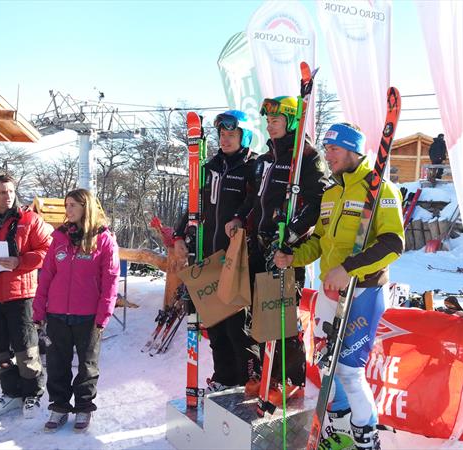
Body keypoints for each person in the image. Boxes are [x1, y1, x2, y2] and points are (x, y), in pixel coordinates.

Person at [274, 123, 404, 449]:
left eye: (333, 149)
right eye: (326, 148)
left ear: (351, 150)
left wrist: (349, 269)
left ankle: (367, 440)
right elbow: (319, 241)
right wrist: (294, 258)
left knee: (348, 370)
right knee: (326, 365)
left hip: (363, 292)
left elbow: (393, 244)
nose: (327, 155)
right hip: (330, 293)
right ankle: (339, 431)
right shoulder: (331, 193)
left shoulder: (380, 189)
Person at [225, 96, 328, 405]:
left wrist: (292, 232)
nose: (270, 126)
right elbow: (254, 200)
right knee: (259, 315)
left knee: (282, 317)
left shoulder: (307, 158)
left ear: (293, 122)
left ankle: (291, 379)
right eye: (268, 121)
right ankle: (263, 372)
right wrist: (239, 217)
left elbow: (316, 201)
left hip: (285, 248)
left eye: (276, 120)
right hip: (258, 244)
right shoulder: (264, 160)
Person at [173, 110, 261, 393]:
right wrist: (178, 234)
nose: (225, 139)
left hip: (236, 260)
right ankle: (223, 378)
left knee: (237, 328)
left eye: (231, 135)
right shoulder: (209, 167)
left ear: (244, 136)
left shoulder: (253, 167)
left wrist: (239, 216)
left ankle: (246, 380)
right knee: (216, 326)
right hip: (207, 256)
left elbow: (255, 202)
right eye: (222, 135)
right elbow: (193, 204)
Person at [33, 188, 119, 432]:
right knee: (58, 364)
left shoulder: (103, 239)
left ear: (86, 207)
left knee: (87, 365)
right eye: (66, 204)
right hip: (57, 314)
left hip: (88, 316)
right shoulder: (59, 238)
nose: (67, 209)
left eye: (72, 205)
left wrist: (104, 314)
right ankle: (59, 406)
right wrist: (39, 310)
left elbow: (110, 281)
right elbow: (46, 276)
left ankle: (83, 407)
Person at [0, 173, 50, 418]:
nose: (8, 196)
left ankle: (32, 394)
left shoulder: (30, 219)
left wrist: (20, 261)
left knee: (27, 349)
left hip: (22, 294)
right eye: (2, 192)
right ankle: (12, 393)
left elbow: (48, 249)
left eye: (11, 191)